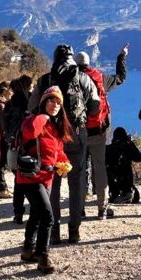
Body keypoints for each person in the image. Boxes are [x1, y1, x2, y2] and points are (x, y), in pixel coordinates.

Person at [29, 44, 100, 244]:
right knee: (76, 183)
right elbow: (95, 107)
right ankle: (74, 230)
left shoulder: (45, 80)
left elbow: (32, 106)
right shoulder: (84, 78)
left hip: (51, 135)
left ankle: (54, 231)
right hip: (76, 135)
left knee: (52, 182)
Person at [16, 86, 72, 275]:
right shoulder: (34, 120)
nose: (55, 105)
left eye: (58, 102)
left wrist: (64, 163)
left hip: (46, 177)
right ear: (43, 102)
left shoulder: (56, 127)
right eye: (51, 101)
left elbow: (58, 151)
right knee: (48, 217)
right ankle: (43, 257)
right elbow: (30, 132)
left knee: (37, 215)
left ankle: (27, 250)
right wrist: (44, 117)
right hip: (30, 177)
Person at [76, 46, 128, 219]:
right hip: (98, 132)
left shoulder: (71, 79)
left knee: (80, 169)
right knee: (100, 169)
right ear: (88, 63)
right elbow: (121, 78)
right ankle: (102, 209)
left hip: (78, 132)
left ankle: (79, 207)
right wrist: (121, 57)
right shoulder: (100, 78)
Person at [4, 74, 33, 224]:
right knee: (34, 178)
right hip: (32, 145)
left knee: (18, 180)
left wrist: (10, 140)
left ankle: (18, 213)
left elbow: (5, 125)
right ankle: (35, 209)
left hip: (16, 145)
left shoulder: (10, 104)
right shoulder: (33, 101)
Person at [106, 127, 141, 204]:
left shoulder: (108, 148)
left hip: (113, 185)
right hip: (126, 184)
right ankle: (127, 194)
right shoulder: (127, 147)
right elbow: (139, 158)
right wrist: (131, 143)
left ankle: (115, 195)